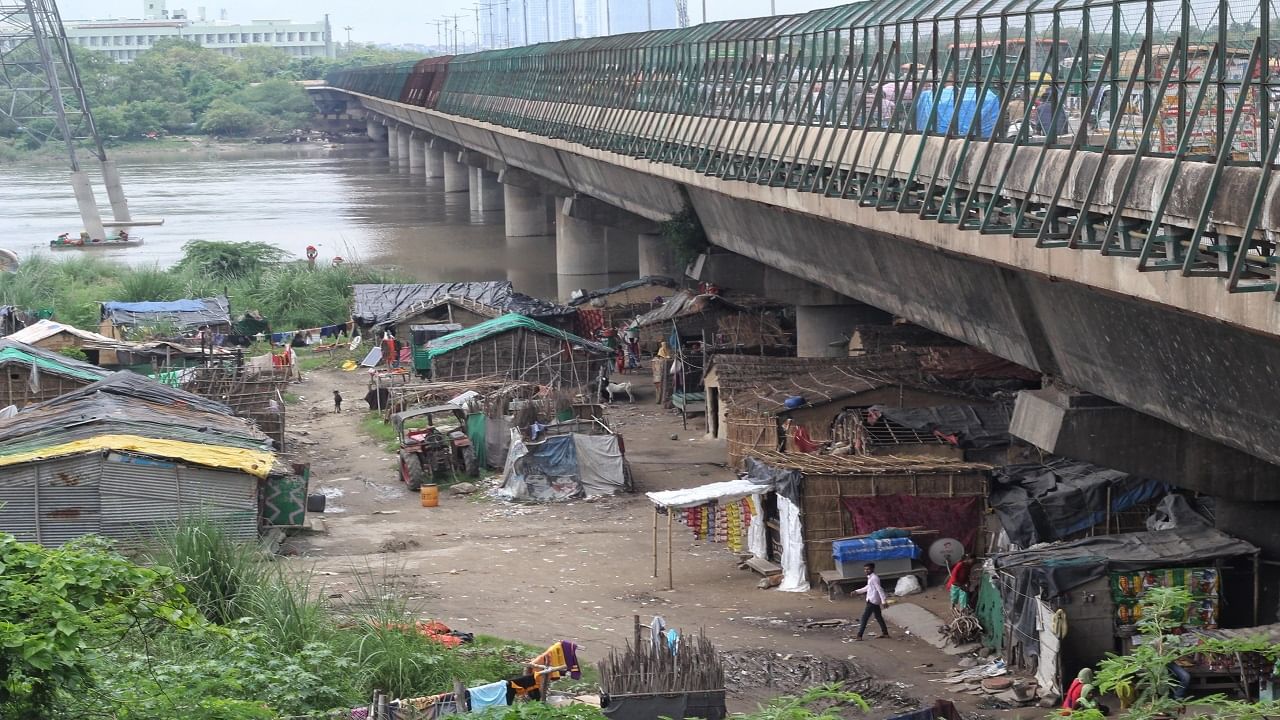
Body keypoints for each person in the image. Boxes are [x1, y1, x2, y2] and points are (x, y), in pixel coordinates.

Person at [854, 563, 890, 641]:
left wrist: (884, 601)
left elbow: (879, 589)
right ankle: (885, 633)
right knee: (878, 617)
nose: (866, 571)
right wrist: (857, 591)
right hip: (872, 600)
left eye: (868, 569)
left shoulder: (874, 578)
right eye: (865, 569)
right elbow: (868, 588)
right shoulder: (870, 578)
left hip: (872, 601)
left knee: (864, 618)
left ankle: (859, 635)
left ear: (872, 569)